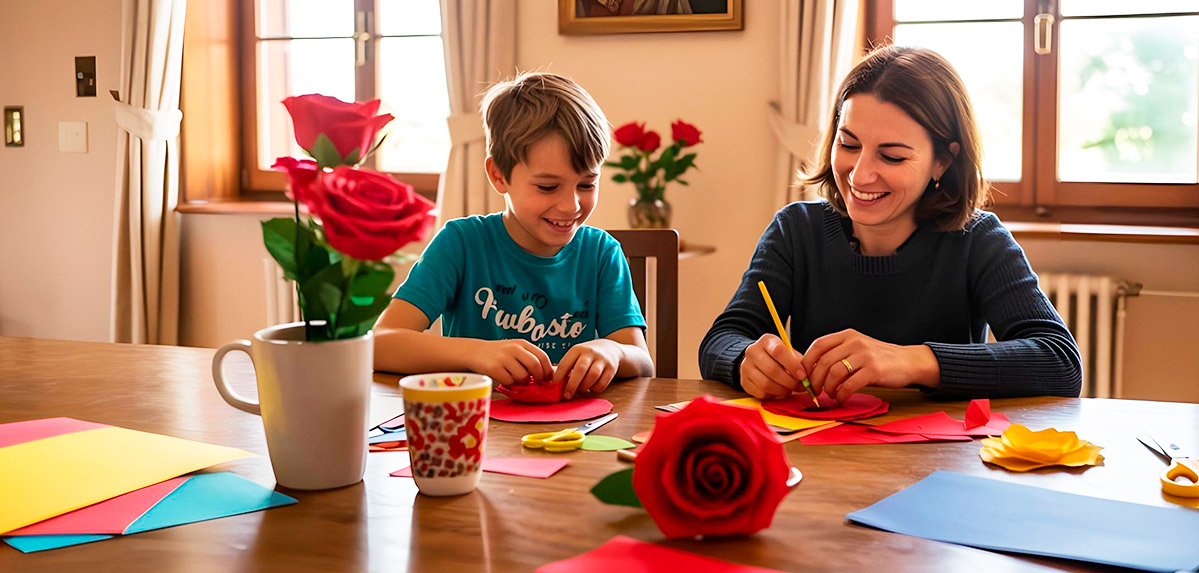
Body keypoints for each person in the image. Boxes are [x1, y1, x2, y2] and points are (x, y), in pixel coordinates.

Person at [699, 45, 1081, 404]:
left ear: (942, 162)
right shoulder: (796, 230)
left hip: (941, 463)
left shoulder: (978, 240)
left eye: (892, 157)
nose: (861, 176)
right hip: (820, 457)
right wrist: (745, 360)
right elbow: (722, 339)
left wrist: (908, 361)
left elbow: (1061, 362)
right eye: (848, 145)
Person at [374, 72, 653, 399]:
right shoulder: (462, 244)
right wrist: (475, 353)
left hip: (574, 432)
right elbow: (381, 342)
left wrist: (612, 351)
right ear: (499, 175)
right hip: (478, 432)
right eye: (548, 187)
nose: (570, 205)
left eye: (587, 184)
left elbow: (642, 362)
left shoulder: (602, 253)